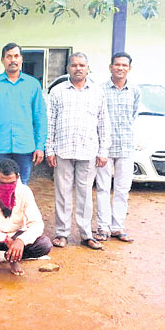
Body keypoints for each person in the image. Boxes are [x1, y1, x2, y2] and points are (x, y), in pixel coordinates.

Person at [46, 52, 111, 250]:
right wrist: (49, 148)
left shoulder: (97, 92)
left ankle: (86, 234)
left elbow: (103, 123)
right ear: (68, 68)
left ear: (88, 68)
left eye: (82, 65)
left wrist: (103, 151)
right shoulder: (57, 92)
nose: (78, 68)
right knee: (62, 193)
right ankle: (62, 233)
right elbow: (50, 122)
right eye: (74, 65)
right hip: (63, 150)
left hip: (88, 151)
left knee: (85, 194)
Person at [0, 43, 48, 185]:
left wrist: (40, 146)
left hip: (25, 147)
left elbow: (40, 117)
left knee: (22, 186)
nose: (13, 60)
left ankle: (19, 209)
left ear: (21, 59)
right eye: (9, 56)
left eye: (16, 56)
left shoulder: (33, 85)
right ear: (2, 60)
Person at [0, 159, 52, 277]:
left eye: (11, 183)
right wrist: (4, 238)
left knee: (44, 244)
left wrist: (21, 240)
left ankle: (13, 259)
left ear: (17, 178)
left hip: (15, 237)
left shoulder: (24, 191)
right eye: (2, 183)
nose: (7, 187)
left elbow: (37, 224)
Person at [94, 52, 139, 243]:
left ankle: (117, 227)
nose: (120, 68)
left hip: (127, 146)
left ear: (129, 68)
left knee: (122, 189)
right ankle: (103, 227)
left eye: (124, 65)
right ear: (110, 67)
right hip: (105, 147)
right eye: (117, 64)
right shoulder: (100, 89)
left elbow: (134, 116)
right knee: (103, 188)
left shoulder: (135, 91)